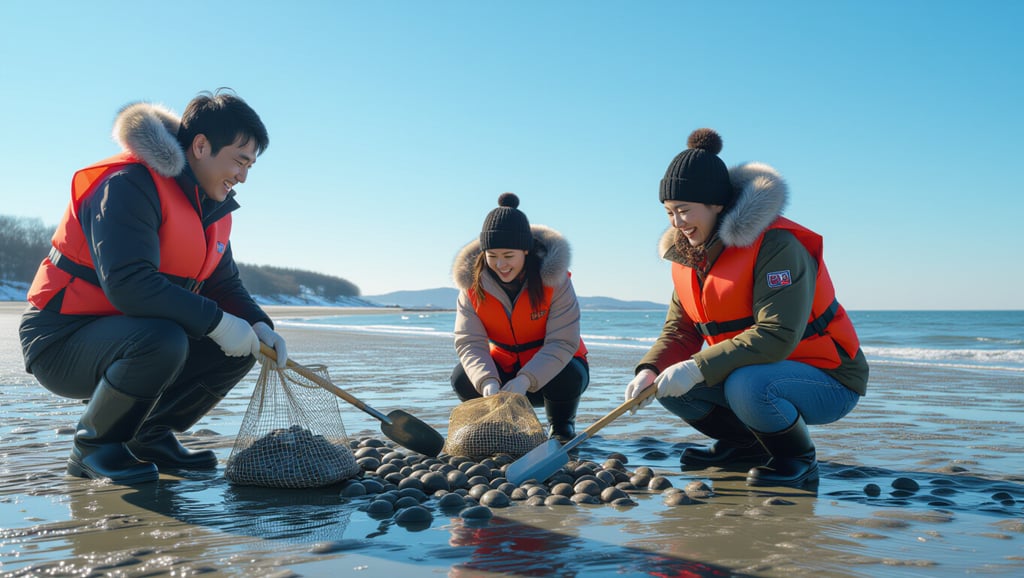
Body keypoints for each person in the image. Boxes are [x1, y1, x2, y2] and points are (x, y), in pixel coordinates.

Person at [18, 89, 288, 485]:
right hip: (60, 339)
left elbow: (224, 284)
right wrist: (218, 322)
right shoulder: (128, 185)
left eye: (250, 166)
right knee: (165, 339)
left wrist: (258, 324)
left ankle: (148, 435)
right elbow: (129, 284)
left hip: (128, 334)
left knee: (242, 343)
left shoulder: (211, 208)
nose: (243, 176)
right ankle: (94, 448)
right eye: (240, 161)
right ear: (200, 146)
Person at [624, 128, 869, 488]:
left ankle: (797, 458)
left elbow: (778, 333)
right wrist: (649, 369)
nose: (676, 224)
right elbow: (681, 330)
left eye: (684, 211)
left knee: (745, 384)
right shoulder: (689, 257)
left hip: (829, 376)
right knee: (668, 385)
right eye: (669, 213)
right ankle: (745, 448)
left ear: (716, 204)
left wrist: (696, 367)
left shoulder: (777, 245)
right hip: (756, 369)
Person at [450, 193, 589, 444]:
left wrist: (526, 379)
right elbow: (469, 342)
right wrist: (488, 382)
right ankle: (496, 424)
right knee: (462, 378)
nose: (500, 264)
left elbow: (563, 342)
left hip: (552, 375)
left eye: (508, 255)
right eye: (492, 256)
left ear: (525, 250)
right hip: (501, 370)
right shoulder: (471, 286)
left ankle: (561, 425)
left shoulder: (555, 281)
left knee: (571, 374)